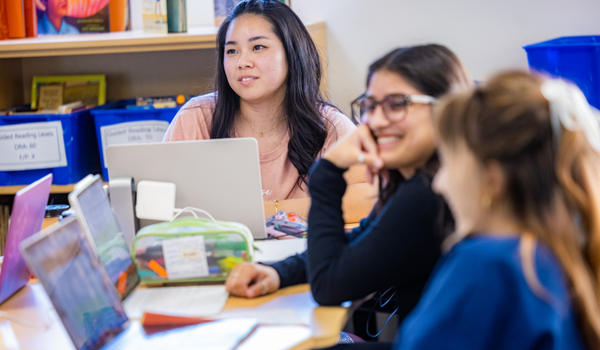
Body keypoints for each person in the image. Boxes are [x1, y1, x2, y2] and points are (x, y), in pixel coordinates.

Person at [333, 71, 600, 350]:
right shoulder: (551, 250)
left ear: (492, 181)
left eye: (447, 165)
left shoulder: (485, 264)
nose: (439, 184)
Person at [226, 44, 472, 328]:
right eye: (370, 106)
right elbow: (359, 242)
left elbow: (329, 285)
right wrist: (278, 273)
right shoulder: (419, 183)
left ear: (446, 109)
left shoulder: (428, 194)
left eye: (397, 104)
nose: (375, 121)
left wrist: (327, 172)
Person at [163, 0, 374, 221]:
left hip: (301, 253)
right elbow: (158, 201)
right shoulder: (195, 117)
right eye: (232, 51)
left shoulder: (329, 126)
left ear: (292, 53)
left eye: (258, 47)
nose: (242, 62)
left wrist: (270, 211)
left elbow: (368, 200)